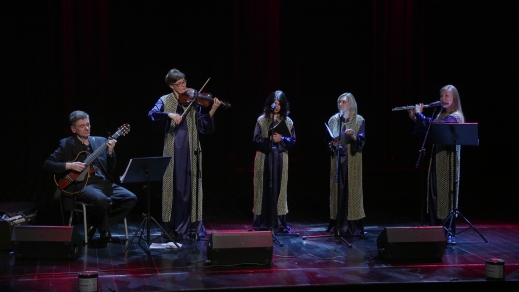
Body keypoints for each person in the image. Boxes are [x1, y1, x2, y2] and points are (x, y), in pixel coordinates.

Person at [148, 68, 221, 240]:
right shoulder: (164, 100)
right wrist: (170, 114)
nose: (183, 86)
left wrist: (214, 108)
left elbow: (203, 125)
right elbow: (152, 115)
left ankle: (193, 226)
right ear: (171, 85)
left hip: (193, 147)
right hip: (174, 148)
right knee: (176, 187)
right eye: (179, 84)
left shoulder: (194, 99)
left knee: (192, 185)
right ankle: (173, 225)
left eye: (184, 82)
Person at [43, 110, 137, 241]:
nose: (86, 128)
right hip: (83, 185)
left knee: (131, 198)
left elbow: (111, 168)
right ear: (73, 129)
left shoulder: (100, 142)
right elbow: (48, 164)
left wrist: (110, 152)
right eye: (82, 126)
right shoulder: (66, 144)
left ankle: (97, 224)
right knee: (102, 200)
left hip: (104, 183)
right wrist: (70, 166)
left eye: (88, 124)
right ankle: (103, 229)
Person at [409, 84, 465, 243]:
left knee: (446, 196)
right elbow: (429, 131)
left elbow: (437, 127)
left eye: (446, 95)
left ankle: (448, 232)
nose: (442, 99)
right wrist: (416, 118)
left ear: (454, 98)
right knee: (434, 194)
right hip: (437, 159)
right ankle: (434, 230)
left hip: (448, 162)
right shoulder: (441, 115)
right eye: (441, 96)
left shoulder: (456, 116)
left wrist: (421, 116)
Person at [252, 90, 296, 233]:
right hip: (264, 158)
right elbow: (256, 140)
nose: (276, 106)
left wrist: (282, 139)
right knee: (262, 188)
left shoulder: (288, 122)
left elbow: (292, 140)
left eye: (279, 104)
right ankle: (261, 222)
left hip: (280, 159)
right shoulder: (262, 120)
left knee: (279, 188)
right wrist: (269, 139)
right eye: (274, 103)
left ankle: (278, 224)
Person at [327, 92, 366, 236]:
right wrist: (333, 143)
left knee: (352, 190)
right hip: (337, 159)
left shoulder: (358, 119)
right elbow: (329, 139)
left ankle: (352, 225)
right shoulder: (333, 119)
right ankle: (336, 223)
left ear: (350, 103)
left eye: (343, 101)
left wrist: (352, 136)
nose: (340, 104)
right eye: (339, 102)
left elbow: (362, 141)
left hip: (352, 159)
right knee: (337, 189)